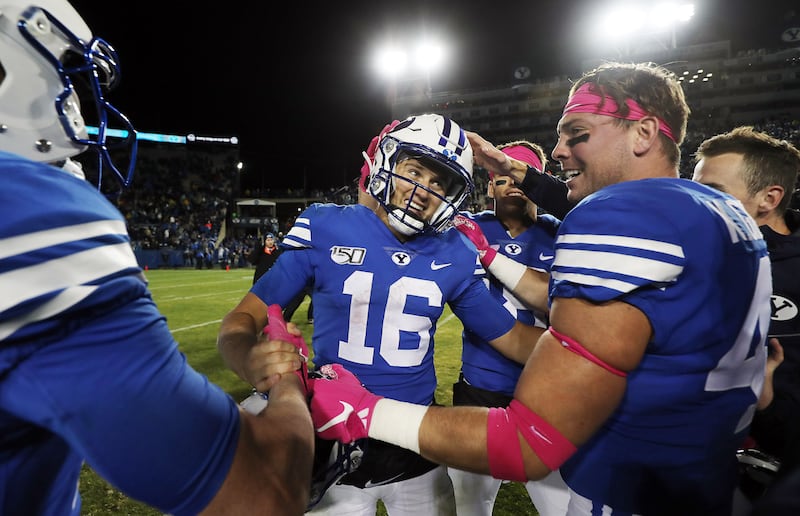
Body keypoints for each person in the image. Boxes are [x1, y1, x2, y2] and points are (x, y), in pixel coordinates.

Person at [267, 62, 774, 515]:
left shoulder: (622, 215)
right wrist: (516, 172)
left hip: (632, 490)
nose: (558, 151)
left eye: (576, 133)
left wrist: (366, 410)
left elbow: (529, 444)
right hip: (702, 480)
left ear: (642, 132)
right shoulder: (728, 214)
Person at [0, 1, 313, 514]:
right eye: (65, 76)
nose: (76, 102)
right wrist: (288, 387)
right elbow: (262, 492)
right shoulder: (27, 213)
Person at [217, 113, 547, 515]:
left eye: (438, 182)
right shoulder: (326, 226)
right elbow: (240, 322)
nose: (423, 190)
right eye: (415, 171)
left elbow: (511, 337)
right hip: (333, 438)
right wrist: (249, 358)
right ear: (387, 162)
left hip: (415, 446)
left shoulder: (455, 251)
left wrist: (593, 356)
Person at [447, 141, 569, 516]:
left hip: (547, 391)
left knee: (564, 506)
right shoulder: (463, 231)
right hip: (481, 389)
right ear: (490, 187)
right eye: (502, 178)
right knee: (469, 506)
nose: (512, 185)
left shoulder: (565, 233)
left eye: (521, 175)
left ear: (538, 180)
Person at [692, 126, 800, 496]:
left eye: (714, 193)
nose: (695, 203)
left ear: (769, 198)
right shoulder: (698, 256)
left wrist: (767, 401)